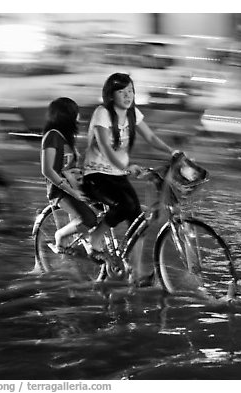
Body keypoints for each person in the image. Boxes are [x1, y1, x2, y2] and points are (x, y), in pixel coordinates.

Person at [82, 73, 179, 285]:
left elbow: (151, 137)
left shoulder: (133, 113)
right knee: (124, 205)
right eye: (121, 91)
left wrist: (172, 152)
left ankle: (136, 274)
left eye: (130, 91)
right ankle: (96, 238)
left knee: (138, 222)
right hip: (96, 176)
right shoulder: (102, 113)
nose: (128, 96)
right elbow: (106, 149)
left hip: (118, 175)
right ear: (110, 95)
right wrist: (128, 167)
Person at [40, 97, 98, 255]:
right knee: (90, 219)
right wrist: (74, 193)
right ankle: (59, 237)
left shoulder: (66, 138)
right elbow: (47, 170)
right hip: (60, 191)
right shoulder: (52, 137)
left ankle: (93, 245)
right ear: (66, 115)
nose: (78, 117)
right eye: (75, 113)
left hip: (74, 186)